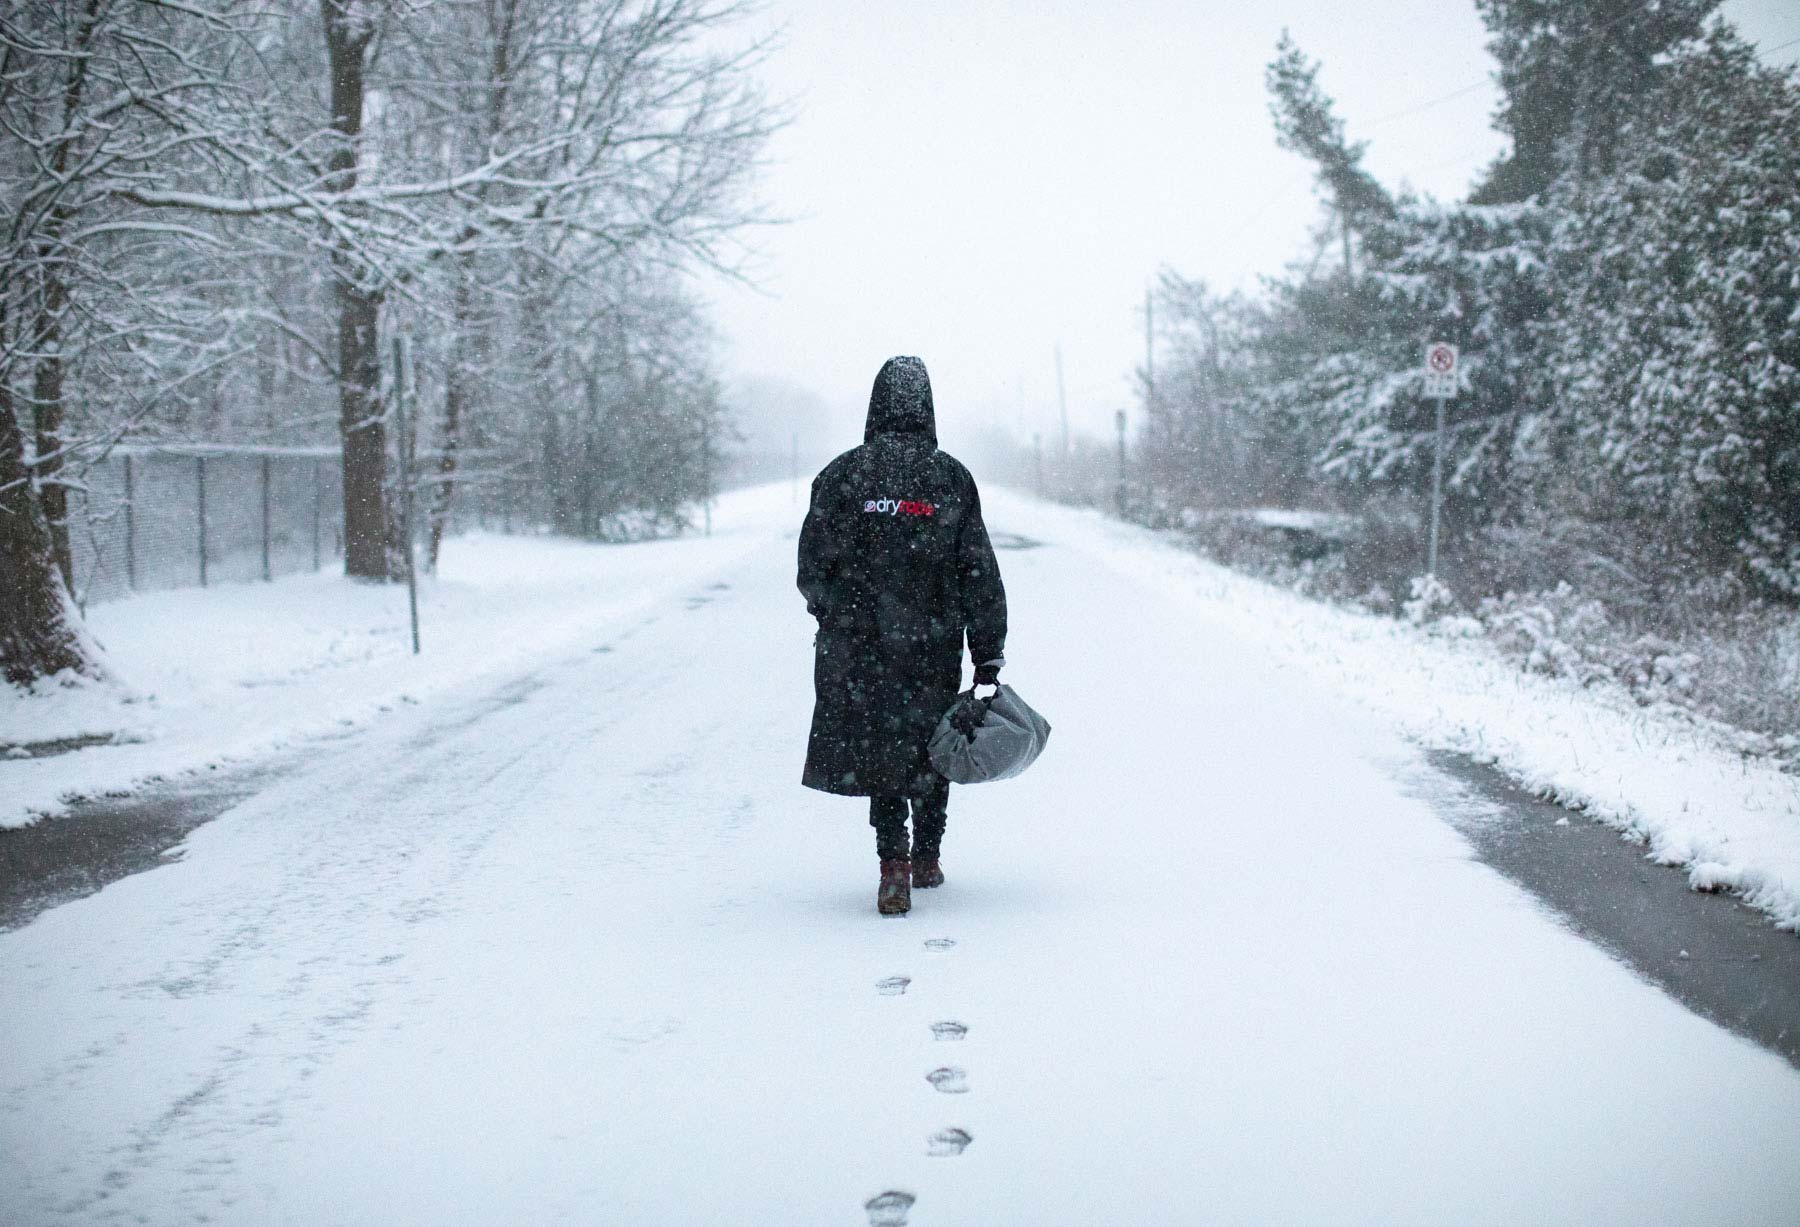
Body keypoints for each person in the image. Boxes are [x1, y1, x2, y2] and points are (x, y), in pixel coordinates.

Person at [798, 356, 1007, 916]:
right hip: (933, 644)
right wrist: (987, 656)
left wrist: (836, 616)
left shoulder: (843, 476)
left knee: (879, 747)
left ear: (876, 405)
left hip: (861, 646)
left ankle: (893, 864)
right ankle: (929, 856)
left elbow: (812, 566)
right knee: (934, 744)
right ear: (927, 407)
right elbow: (978, 572)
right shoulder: (951, 478)